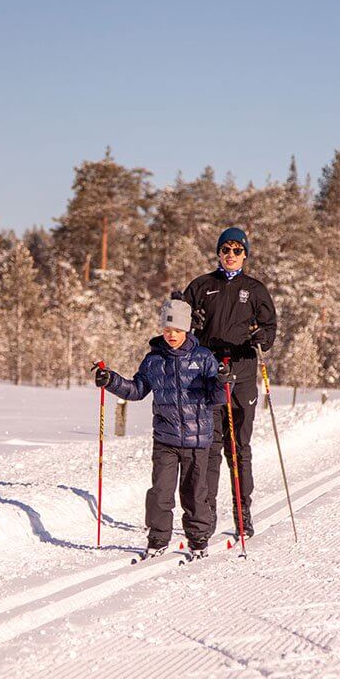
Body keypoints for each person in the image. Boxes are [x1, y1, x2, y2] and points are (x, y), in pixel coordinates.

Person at [95, 296, 233, 558]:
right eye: (168, 329)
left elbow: (218, 397)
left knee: (195, 493)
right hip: (165, 440)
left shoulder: (203, 358)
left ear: (187, 329)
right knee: (160, 493)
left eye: (178, 330)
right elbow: (137, 390)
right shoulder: (154, 360)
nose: (172, 335)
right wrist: (111, 381)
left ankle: (198, 539)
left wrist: (225, 381)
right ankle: (158, 538)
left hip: (197, 440)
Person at [184, 227, 277, 539]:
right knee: (209, 446)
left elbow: (270, 327)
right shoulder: (201, 285)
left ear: (245, 255)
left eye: (237, 250)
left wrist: (262, 337)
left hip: (243, 371)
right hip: (208, 372)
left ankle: (242, 513)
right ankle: (206, 514)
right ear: (218, 253)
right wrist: (189, 322)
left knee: (238, 447)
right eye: (226, 249)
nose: (231, 255)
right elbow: (177, 322)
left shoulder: (255, 289)